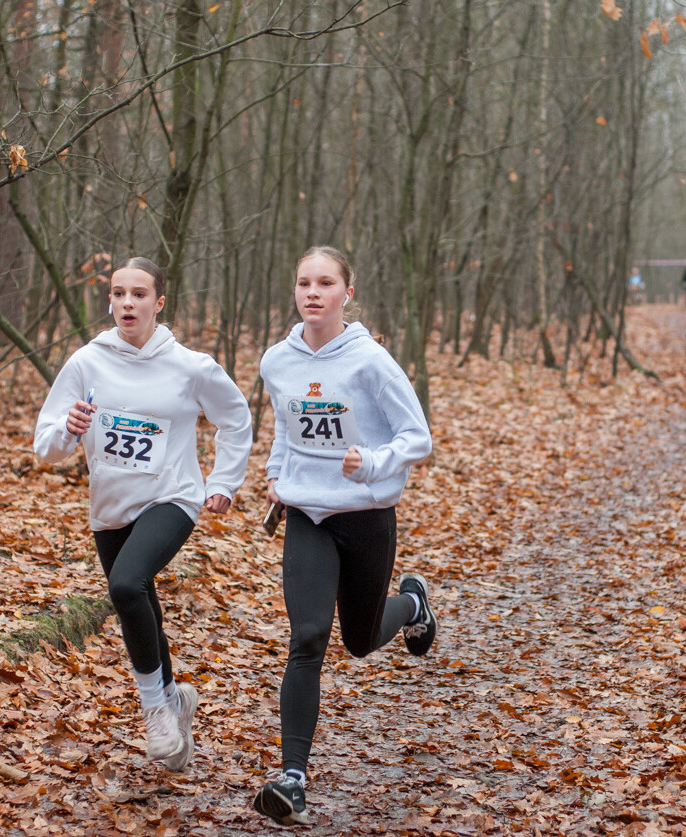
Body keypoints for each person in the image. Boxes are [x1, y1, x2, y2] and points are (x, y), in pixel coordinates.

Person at [33, 256, 252, 772]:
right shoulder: (87, 362)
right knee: (142, 602)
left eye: (138, 294)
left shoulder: (191, 366)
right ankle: (175, 700)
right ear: (109, 300)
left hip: (172, 497)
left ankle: (155, 709)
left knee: (127, 586)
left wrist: (222, 482)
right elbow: (46, 447)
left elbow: (236, 419)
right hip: (110, 508)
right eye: (118, 293)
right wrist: (70, 426)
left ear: (159, 302)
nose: (126, 303)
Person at [252, 246, 437, 826]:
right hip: (307, 513)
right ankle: (292, 778)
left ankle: (411, 603)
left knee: (356, 640)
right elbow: (285, 428)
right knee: (308, 637)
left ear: (346, 293)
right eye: (304, 282)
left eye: (325, 283)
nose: (313, 293)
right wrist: (276, 478)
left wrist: (374, 461)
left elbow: (418, 438)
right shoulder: (276, 361)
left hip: (365, 514)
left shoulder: (370, 362)